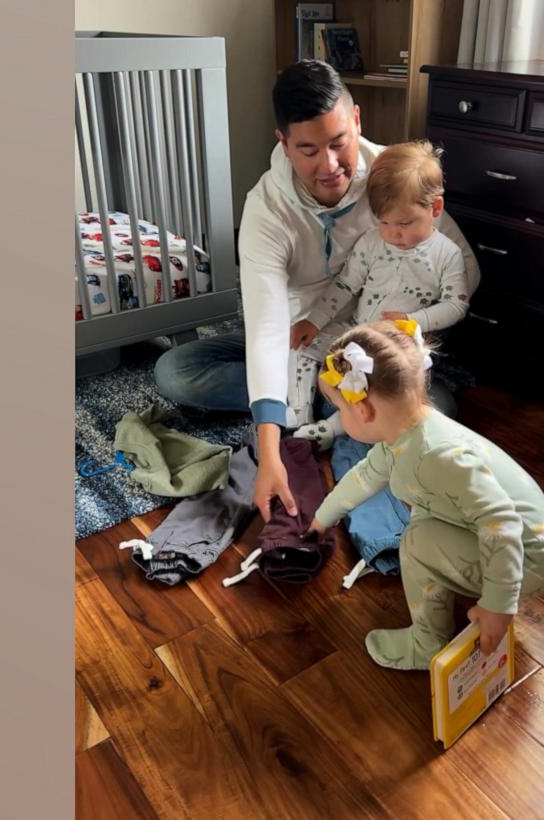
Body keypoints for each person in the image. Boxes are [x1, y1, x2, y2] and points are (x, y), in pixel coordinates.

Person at [153, 61, 480, 518]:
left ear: (357, 121)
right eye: (307, 149)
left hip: (375, 334)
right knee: (175, 371)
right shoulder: (266, 211)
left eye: (339, 143)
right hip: (302, 333)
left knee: (438, 404)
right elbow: (267, 329)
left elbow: (461, 260)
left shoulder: (394, 178)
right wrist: (270, 453)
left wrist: (418, 311)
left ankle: (329, 405)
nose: (329, 166)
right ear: (283, 144)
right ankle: (336, 405)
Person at [307, 320, 544, 670]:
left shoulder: (436, 456)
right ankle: (463, 579)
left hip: (530, 561)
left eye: (340, 409)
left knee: (416, 540)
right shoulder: (406, 432)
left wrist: (497, 605)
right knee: (422, 516)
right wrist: (323, 519)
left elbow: (500, 522)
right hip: (518, 542)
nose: (341, 416)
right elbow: (366, 476)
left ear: (363, 409)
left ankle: (426, 642)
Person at [288, 139, 469, 447]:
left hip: (399, 347)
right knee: (303, 351)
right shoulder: (372, 242)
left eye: (403, 223)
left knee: (417, 401)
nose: (392, 233)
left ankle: (331, 428)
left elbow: (456, 305)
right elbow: (345, 285)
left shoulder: (447, 254)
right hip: (355, 332)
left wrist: (414, 320)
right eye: (383, 221)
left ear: (435, 208)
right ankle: (299, 417)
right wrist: (314, 322)